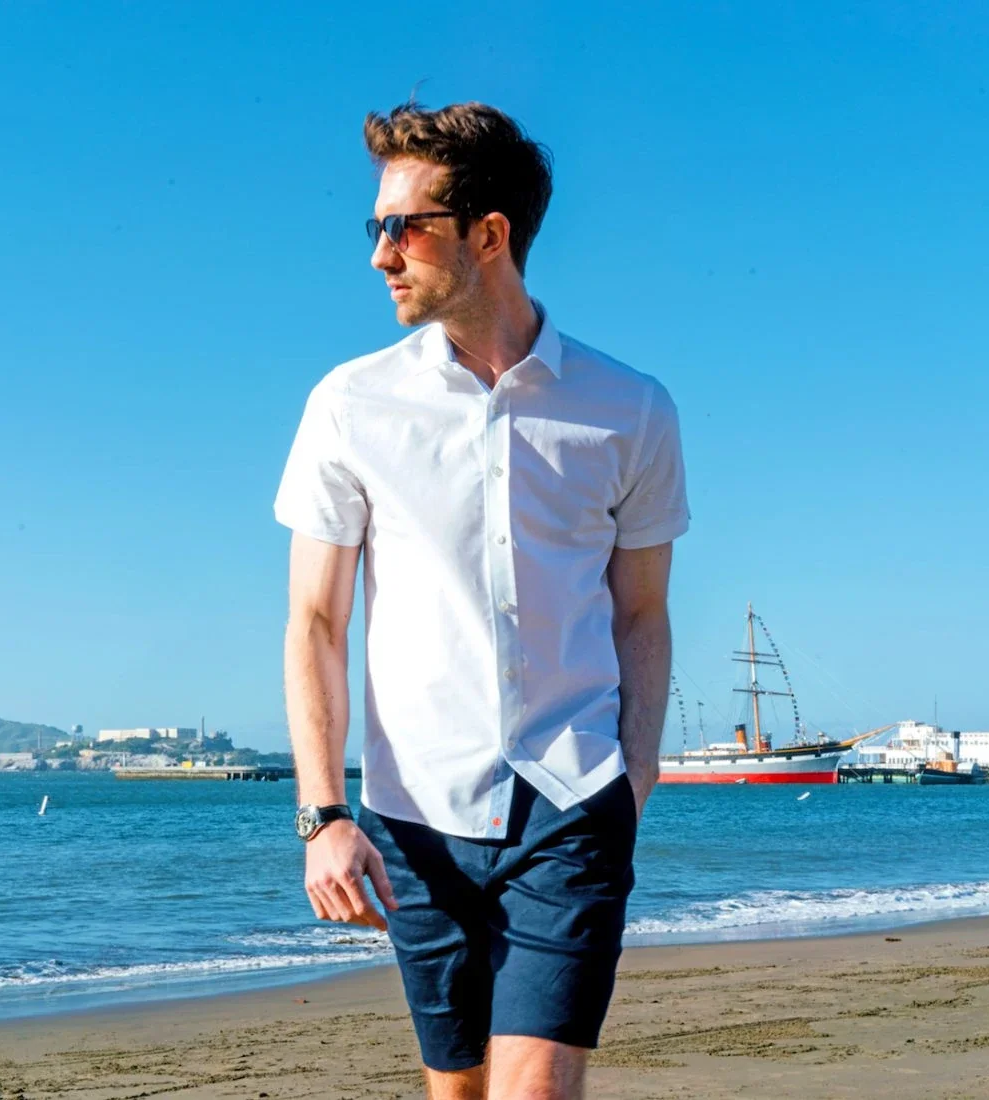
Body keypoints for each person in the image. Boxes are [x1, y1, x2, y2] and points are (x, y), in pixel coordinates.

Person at [274, 101, 689, 1100]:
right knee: (457, 1089)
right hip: (413, 816)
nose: (380, 254)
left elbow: (641, 613)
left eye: (404, 227)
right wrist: (322, 813)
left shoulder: (629, 408)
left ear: (488, 234)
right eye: (376, 225)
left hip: (571, 800)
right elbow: (316, 622)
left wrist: (632, 776)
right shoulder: (349, 404)